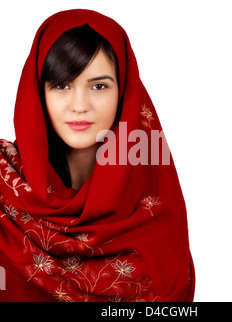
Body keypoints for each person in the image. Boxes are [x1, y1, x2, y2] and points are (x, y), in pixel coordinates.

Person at [0, 9, 195, 302]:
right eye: (62, 84)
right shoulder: (5, 187)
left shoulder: (155, 206)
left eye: (99, 86)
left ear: (124, 93)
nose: (80, 105)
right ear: (38, 93)